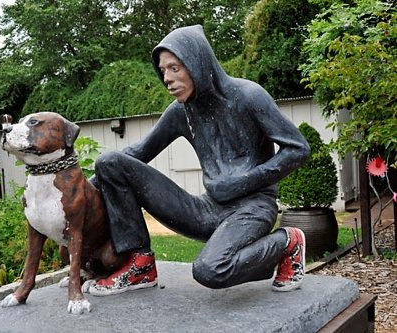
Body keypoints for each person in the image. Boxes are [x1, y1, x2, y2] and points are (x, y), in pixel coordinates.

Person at [88, 25, 310, 296]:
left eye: (174, 68)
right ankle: (141, 265)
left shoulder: (249, 96)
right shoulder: (181, 112)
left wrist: (242, 182)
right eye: (163, 71)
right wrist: (81, 189)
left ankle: (286, 243)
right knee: (110, 162)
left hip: (252, 208)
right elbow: (138, 153)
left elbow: (298, 149)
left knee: (210, 269)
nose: (167, 78)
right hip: (206, 209)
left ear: (197, 62)